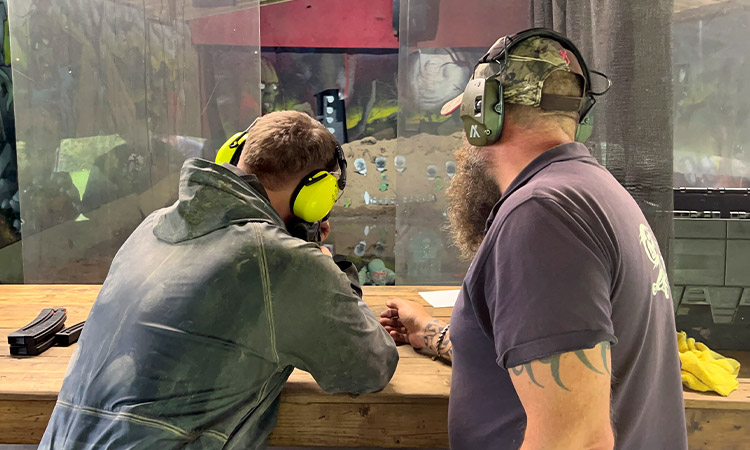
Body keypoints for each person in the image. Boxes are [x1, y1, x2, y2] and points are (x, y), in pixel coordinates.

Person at [380, 29, 687, 450]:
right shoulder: (592, 192)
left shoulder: (542, 216)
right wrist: (428, 331)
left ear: (481, 109)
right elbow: (542, 353)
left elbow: (577, 439)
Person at [40, 111, 398, 449]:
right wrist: (330, 272)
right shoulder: (278, 259)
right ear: (314, 193)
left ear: (232, 155)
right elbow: (369, 367)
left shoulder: (151, 226)